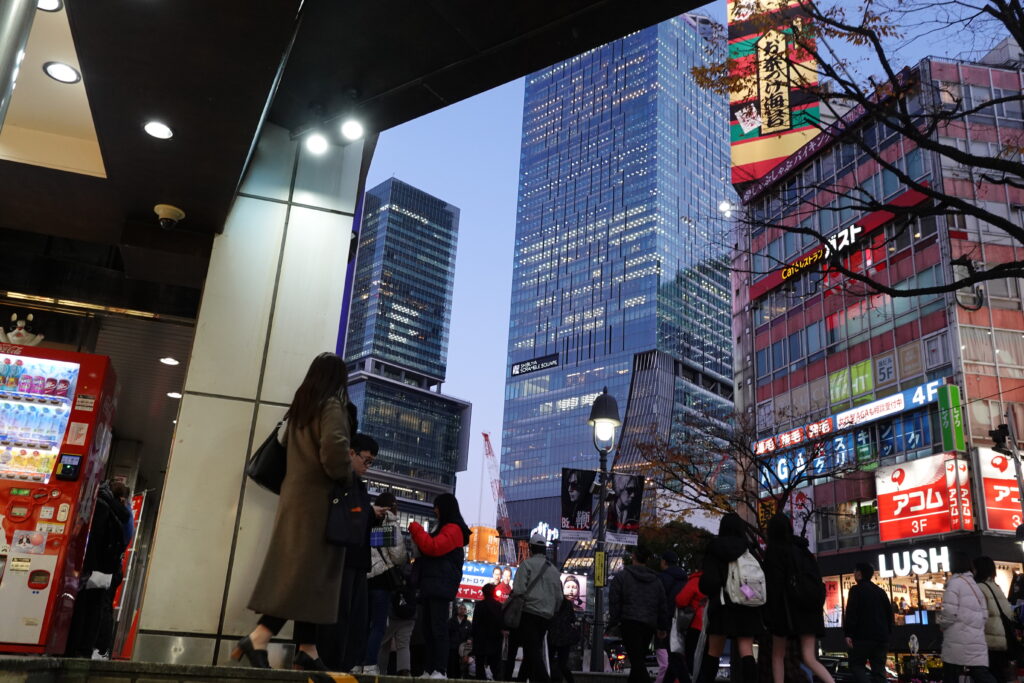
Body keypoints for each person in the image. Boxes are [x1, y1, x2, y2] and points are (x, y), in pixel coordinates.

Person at [233, 352, 352, 671]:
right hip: (317, 503)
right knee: (304, 574)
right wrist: (347, 474)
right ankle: (259, 635)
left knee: (309, 575)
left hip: (295, 498)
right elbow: (335, 451)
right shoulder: (330, 406)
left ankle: (307, 649)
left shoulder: (300, 409)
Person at [319, 433, 385, 672]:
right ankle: (333, 665)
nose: (367, 467)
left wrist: (369, 512)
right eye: (366, 460)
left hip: (356, 560)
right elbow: (344, 517)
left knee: (355, 618)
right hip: (343, 557)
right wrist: (369, 512)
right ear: (351, 453)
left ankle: (341, 665)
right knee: (341, 615)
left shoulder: (355, 483)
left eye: (371, 463)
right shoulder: (341, 480)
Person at [763, 513, 834, 683]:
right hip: (810, 609)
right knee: (809, 658)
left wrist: (768, 614)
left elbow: (774, 586)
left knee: (777, 655)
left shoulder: (774, 551)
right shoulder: (803, 550)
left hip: (785, 610)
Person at [65, 480, 132, 658]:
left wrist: (89, 566)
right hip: (106, 567)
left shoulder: (100, 504)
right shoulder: (120, 511)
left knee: (86, 606)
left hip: (92, 565)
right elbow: (125, 537)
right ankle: (93, 649)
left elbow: (95, 537)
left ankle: (79, 647)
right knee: (98, 607)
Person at [410, 493, 473, 679]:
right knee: (428, 630)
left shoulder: (453, 529)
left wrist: (416, 528)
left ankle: (440, 669)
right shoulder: (447, 527)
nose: (434, 510)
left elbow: (433, 547)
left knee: (437, 628)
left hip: (440, 584)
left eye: (436, 506)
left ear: (444, 507)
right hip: (433, 584)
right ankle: (430, 669)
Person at [697, 513, 763, 683]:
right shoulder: (749, 549)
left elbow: (709, 582)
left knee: (713, 653)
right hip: (746, 605)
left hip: (722, 606)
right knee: (746, 651)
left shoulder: (714, 548)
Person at [609, 545, 670, 683]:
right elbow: (662, 605)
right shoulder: (656, 580)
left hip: (629, 622)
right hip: (648, 624)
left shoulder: (622, 577)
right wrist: (662, 626)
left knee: (637, 662)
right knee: (638, 659)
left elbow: (614, 601)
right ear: (647, 560)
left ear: (633, 557)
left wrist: (615, 621)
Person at [362, 491, 406, 675]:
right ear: (392, 506)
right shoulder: (389, 523)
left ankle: (357, 661)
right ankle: (370, 664)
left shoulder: (367, 518)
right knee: (379, 625)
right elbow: (397, 556)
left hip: (364, 577)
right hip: (382, 579)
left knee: (363, 623)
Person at [510, 532, 563, 682]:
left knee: (532, 650)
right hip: (546, 616)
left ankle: (545, 680)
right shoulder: (554, 571)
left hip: (529, 613)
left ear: (531, 548)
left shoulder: (526, 565)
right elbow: (559, 598)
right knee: (531, 650)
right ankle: (521, 679)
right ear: (545, 549)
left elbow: (518, 590)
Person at [939, 551, 995, 683]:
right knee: (980, 674)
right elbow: (984, 615)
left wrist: (941, 625)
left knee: (951, 675)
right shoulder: (974, 585)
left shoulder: (954, 585)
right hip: (976, 641)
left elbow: (948, 613)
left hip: (957, 641)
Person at [844, 563, 893, 683]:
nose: (854, 574)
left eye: (855, 571)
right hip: (881, 638)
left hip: (862, 637)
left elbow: (852, 613)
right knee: (879, 670)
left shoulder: (856, 590)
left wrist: (848, 634)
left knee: (856, 665)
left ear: (859, 573)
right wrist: (888, 633)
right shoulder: (881, 592)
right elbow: (889, 614)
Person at [976, 556, 1015, 683]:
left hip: (988, 641)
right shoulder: (996, 587)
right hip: (1002, 640)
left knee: (987, 675)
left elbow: (978, 617)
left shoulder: (979, 588)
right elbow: (1008, 612)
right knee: (1000, 675)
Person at [654, 551, 687, 683]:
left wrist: (660, 625)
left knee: (674, 659)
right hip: (682, 621)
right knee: (674, 657)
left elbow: (660, 603)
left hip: (667, 622)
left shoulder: (662, 578)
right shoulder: (685, 578)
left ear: (664, 562)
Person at [675, 565, 706, 675]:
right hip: (713, 625)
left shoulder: (696, 581)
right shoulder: (718, 580)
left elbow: (681, 600)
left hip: (696, 623)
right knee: (709, 658)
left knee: (691, 655)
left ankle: (695, 678)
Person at [473, 583, 505, 681]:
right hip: (495, 639)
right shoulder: (499, 606)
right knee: (495, 665)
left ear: (483, 593)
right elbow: (501, 623)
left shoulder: (479, 606)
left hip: (480, 639)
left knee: (480, 665)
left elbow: (475, 623)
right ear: (494, 592)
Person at [548, 592, 580, 683]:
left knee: (548, 661)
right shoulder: (567, 603)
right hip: (565, 638)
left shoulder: (551, 602)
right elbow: (572, 619)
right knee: (562, 664)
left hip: (552, 636)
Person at [449, 603, 473, 678]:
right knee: (452, 666)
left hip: (463, 649)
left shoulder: (468, 623)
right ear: (457, 610)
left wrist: (469, 639)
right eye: (461, 608)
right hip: (452, 648)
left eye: (464, 609)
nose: (462, 610)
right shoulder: (451, 621)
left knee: (461, 668)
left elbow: (471, 634)